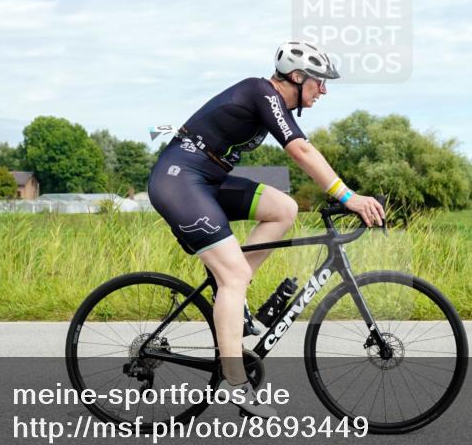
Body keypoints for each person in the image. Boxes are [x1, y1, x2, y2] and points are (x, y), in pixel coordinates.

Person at [147, 41, 385, 417]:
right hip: (178, 180)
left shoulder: (272, 102)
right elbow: (301, 151)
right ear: (297, 77)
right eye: (320, 82)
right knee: (234, 275)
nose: (324, 90)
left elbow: (304, 150)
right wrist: (349, 197)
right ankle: (234, 381)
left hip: (206, 180)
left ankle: (233, 301)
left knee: (283, 209)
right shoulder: (262, 91)